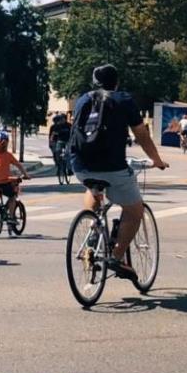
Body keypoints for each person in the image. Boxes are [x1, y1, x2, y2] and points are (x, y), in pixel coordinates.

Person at [70, 64, 168, 280]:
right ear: (116, 82)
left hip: (80, 165)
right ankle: (116, 255)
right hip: (112, 166)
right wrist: (156, 160)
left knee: (93, 188)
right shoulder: (123, 100)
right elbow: (141, 135)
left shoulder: (83, 100)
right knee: (135, 210)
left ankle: (93, 230)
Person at [0, 130, 27, 213]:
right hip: (3, 182)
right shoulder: (8, 155)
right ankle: (11, 218)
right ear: (6, 143)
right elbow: (19, 165)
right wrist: (26, 175)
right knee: (12, 196)